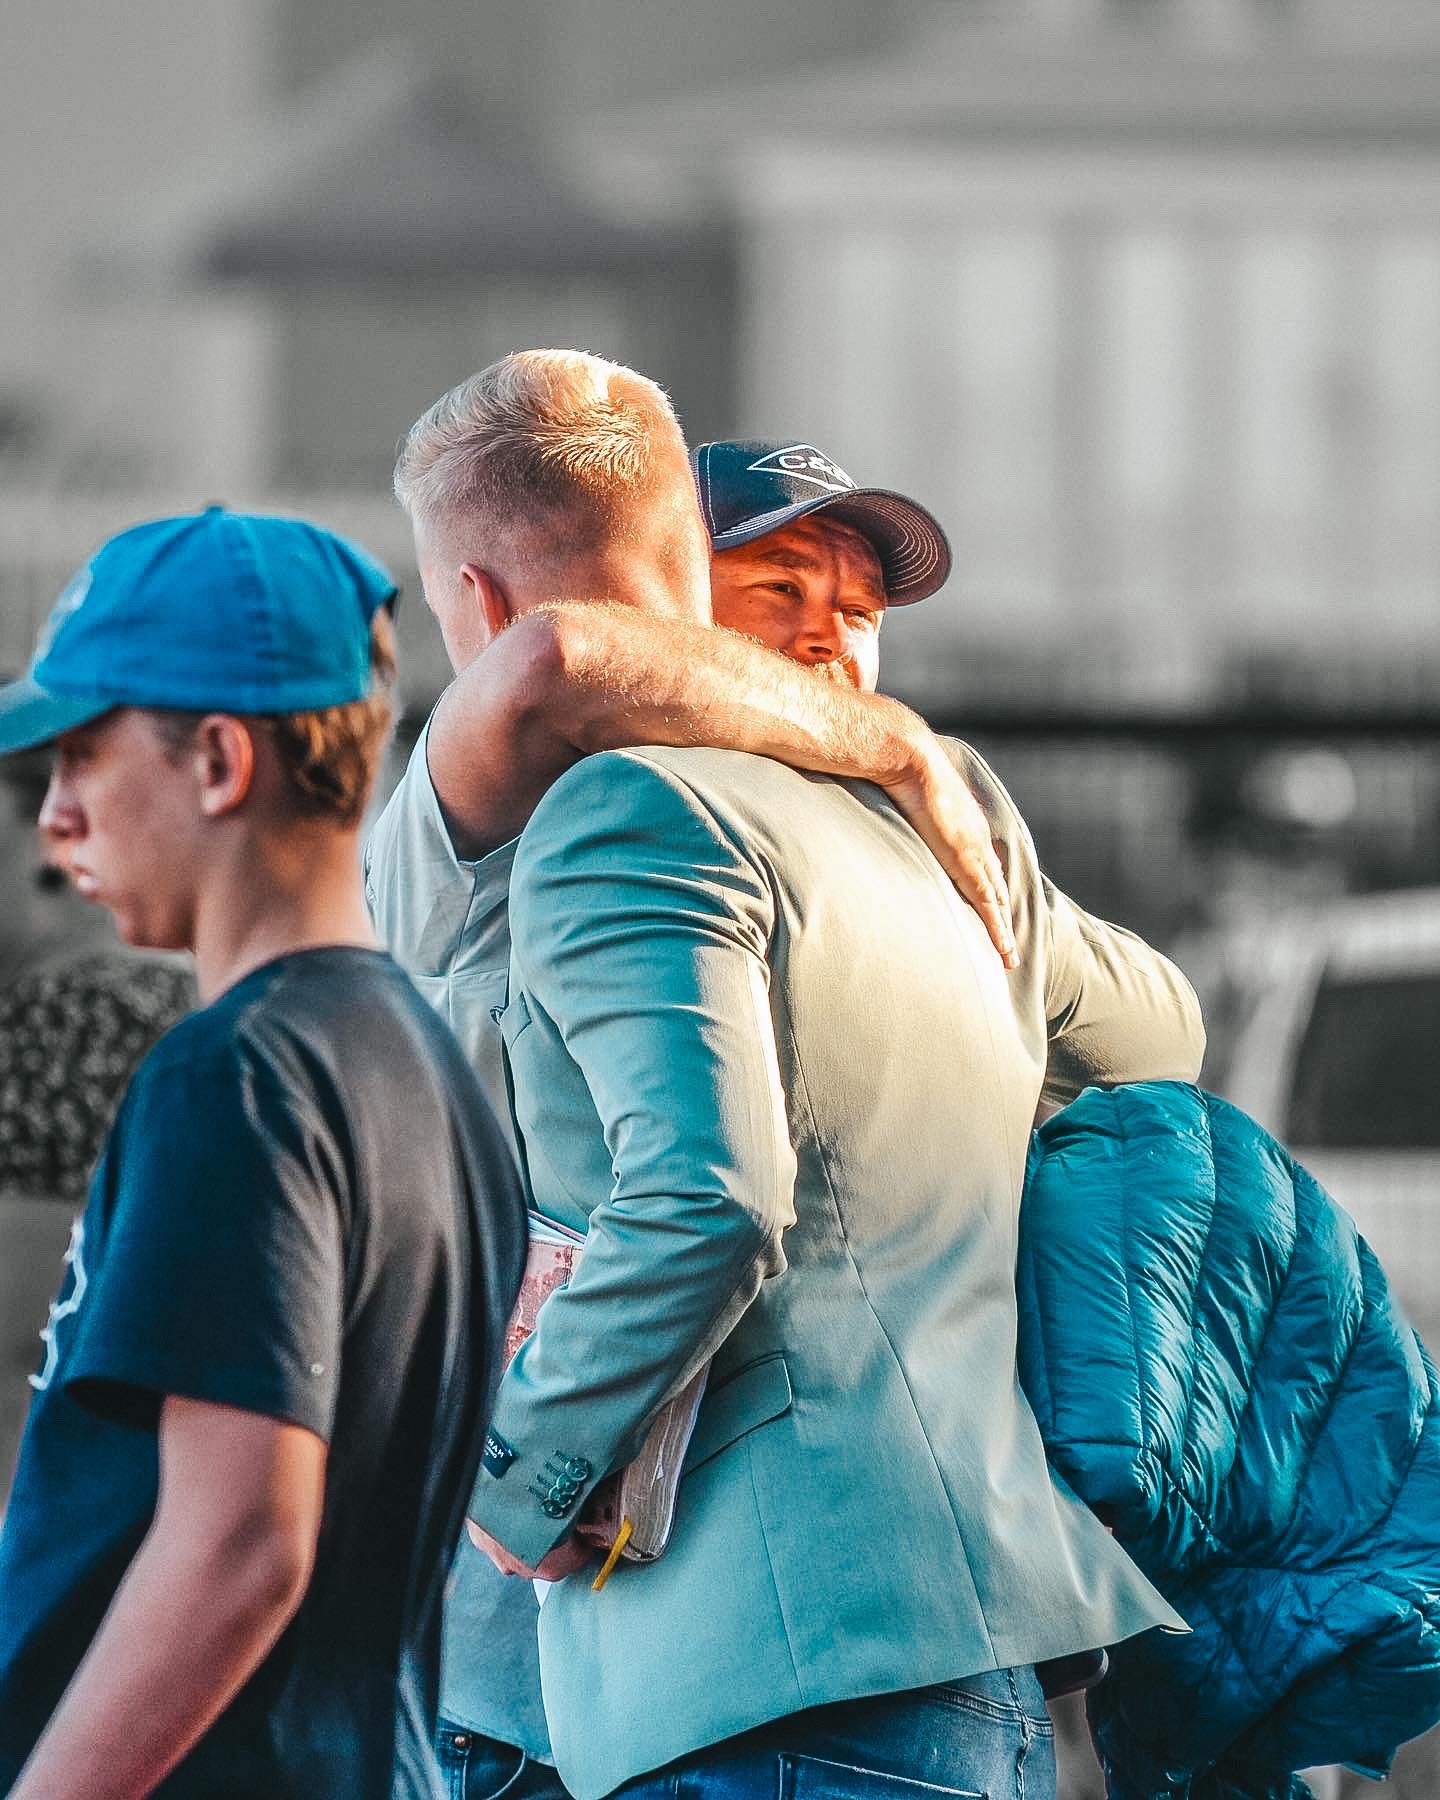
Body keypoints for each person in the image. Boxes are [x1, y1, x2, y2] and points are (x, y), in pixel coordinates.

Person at [368, 351, 1205, 1800]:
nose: (829, 642)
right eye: (781, 598)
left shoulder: (851, 845)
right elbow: (558, 662)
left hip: (734, 1657)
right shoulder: (536, 809)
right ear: (681, 603)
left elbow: (712, 1201)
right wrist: (899, 758)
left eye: (861, 615)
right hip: (606, 1662)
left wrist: (954, 849)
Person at [0, 509, 527, 1800]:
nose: (54, 818)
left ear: (221, 761)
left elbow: (243, 1543)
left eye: (79, 755)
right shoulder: (427, 1065)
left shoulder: (232, 1074)